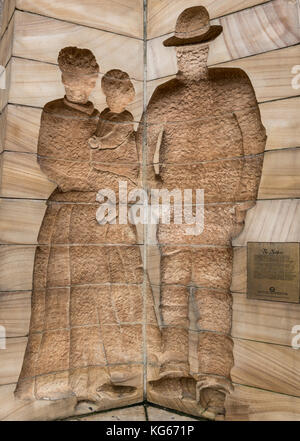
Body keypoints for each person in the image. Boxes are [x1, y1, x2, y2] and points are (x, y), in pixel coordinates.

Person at [143, 6, 266, 418]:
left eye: (197, 48)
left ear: (208, 47)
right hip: (178, 210)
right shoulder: (165, 96)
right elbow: (143, 148)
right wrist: (153, 183)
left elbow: (254, 138)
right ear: (176, 51)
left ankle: (214, 380)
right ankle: (174, 367)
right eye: (184, 50)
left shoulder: (234, 86)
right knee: (174, 291)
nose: (190, 56)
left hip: (216, 208)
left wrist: (244, 195)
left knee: (214, 297)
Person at [15, 48, 146, 407]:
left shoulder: (106, 118)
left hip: (109, 214)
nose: (87, 85)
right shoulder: (55, 113)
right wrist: (111, 177)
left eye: (92, 78)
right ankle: (72, 380)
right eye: (80, 78)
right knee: (74, 300)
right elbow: (61, 168)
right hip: (73, 218)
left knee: (109, 296)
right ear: (65, 79)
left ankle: (101, 376)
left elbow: (128, 163)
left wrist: (123, 178)